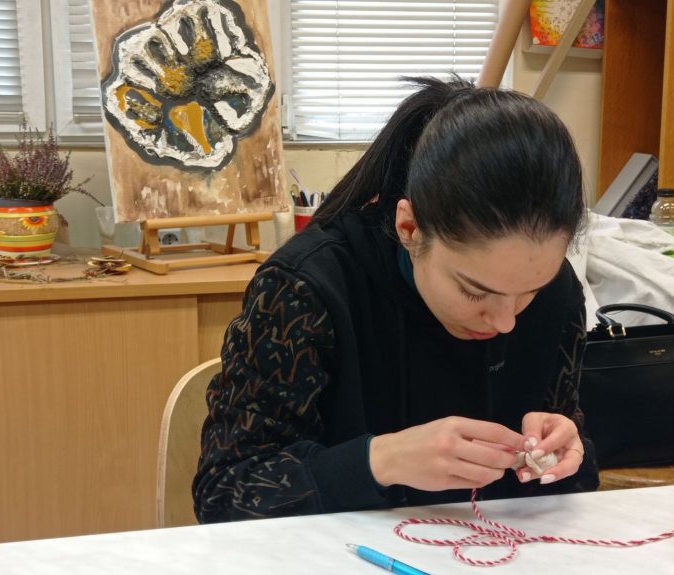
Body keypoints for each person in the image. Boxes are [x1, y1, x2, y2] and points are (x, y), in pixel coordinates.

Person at [193, 76, 599, 524]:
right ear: (409, 228)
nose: (505, 321)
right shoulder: (306, 290)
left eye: (530, 294)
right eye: (474, 291)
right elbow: (224, 493)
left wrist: (565, 452)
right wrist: (381, 460)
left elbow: (569, 484)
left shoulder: (557, 290)